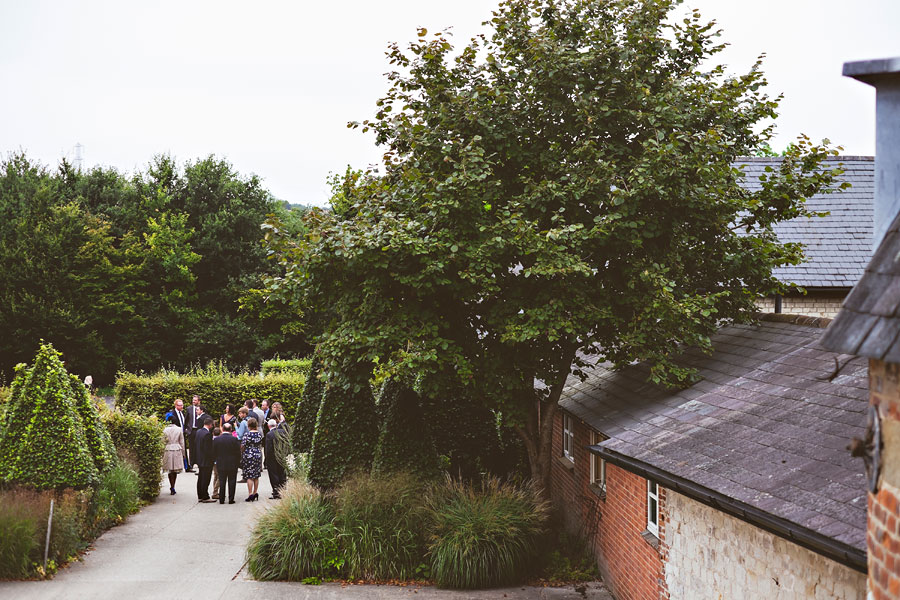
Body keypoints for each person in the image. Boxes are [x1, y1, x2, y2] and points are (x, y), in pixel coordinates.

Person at [213, 422, 241, 504]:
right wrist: (238, 462)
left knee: (222, 481)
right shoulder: (234, 439)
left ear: (223, 429)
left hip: (221, 462)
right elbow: (238, 452)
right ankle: (231, 499)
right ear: (231, 430)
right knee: (232, 481)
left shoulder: (217, 439)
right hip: (232, 463)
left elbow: (214, 452)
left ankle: (221, 499)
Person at [162, 414, 186, 495]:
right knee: (175, 470)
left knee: (170, 470)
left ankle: (171, 486)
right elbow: (182, 442)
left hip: (167, 449)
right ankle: (173, 486)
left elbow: (162, 441)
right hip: (176, 449)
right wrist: (183, 453)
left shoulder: (164, 430)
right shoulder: (179, 429)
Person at [241, 418, 263, 502]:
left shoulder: (247, 435)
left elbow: (243, 445)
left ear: (249, 425)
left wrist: (243, 452)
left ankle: (250, 494)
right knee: (256, 475)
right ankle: (255, 492)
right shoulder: (259, 434)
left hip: (249, 455)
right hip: (257, 454)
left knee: (250, 475)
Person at [195, 416, 215, 502]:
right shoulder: (207, 434)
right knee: (206, 478)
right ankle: (205, 496)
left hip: (199, 458)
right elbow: (208, 449)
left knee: (200, 477)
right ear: (210, 425)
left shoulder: (199, 431)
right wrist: (212, 458)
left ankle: (200, 495)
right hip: (206, 460)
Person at [265, 419, 287, 499]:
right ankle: (283, 490)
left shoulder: (269, 434)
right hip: (282, 456)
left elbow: (268, 449)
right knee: (282, 473)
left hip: (272, 458)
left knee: (273, 474)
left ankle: (276, 492)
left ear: (268, 426)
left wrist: (267, 459)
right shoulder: (282, 432)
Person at [185, 395, 203, 471]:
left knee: (199, 447)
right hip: (191, 430)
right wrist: (186, 429)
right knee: (191, 448)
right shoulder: (188, 409)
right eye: (193, 400)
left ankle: (199, 463)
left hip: (198, 430)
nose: (193, 401)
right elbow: (186, 420)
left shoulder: (202, 408)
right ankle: (191, 464)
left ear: (198, 401)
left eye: (195, 400)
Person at [211, 426, 222, 500]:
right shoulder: (219, 441)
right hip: (218, 460)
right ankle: (215, 491)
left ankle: (215, 490)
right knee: (219, 476)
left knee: (215, 475)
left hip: (213, 460)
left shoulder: (211, 440)